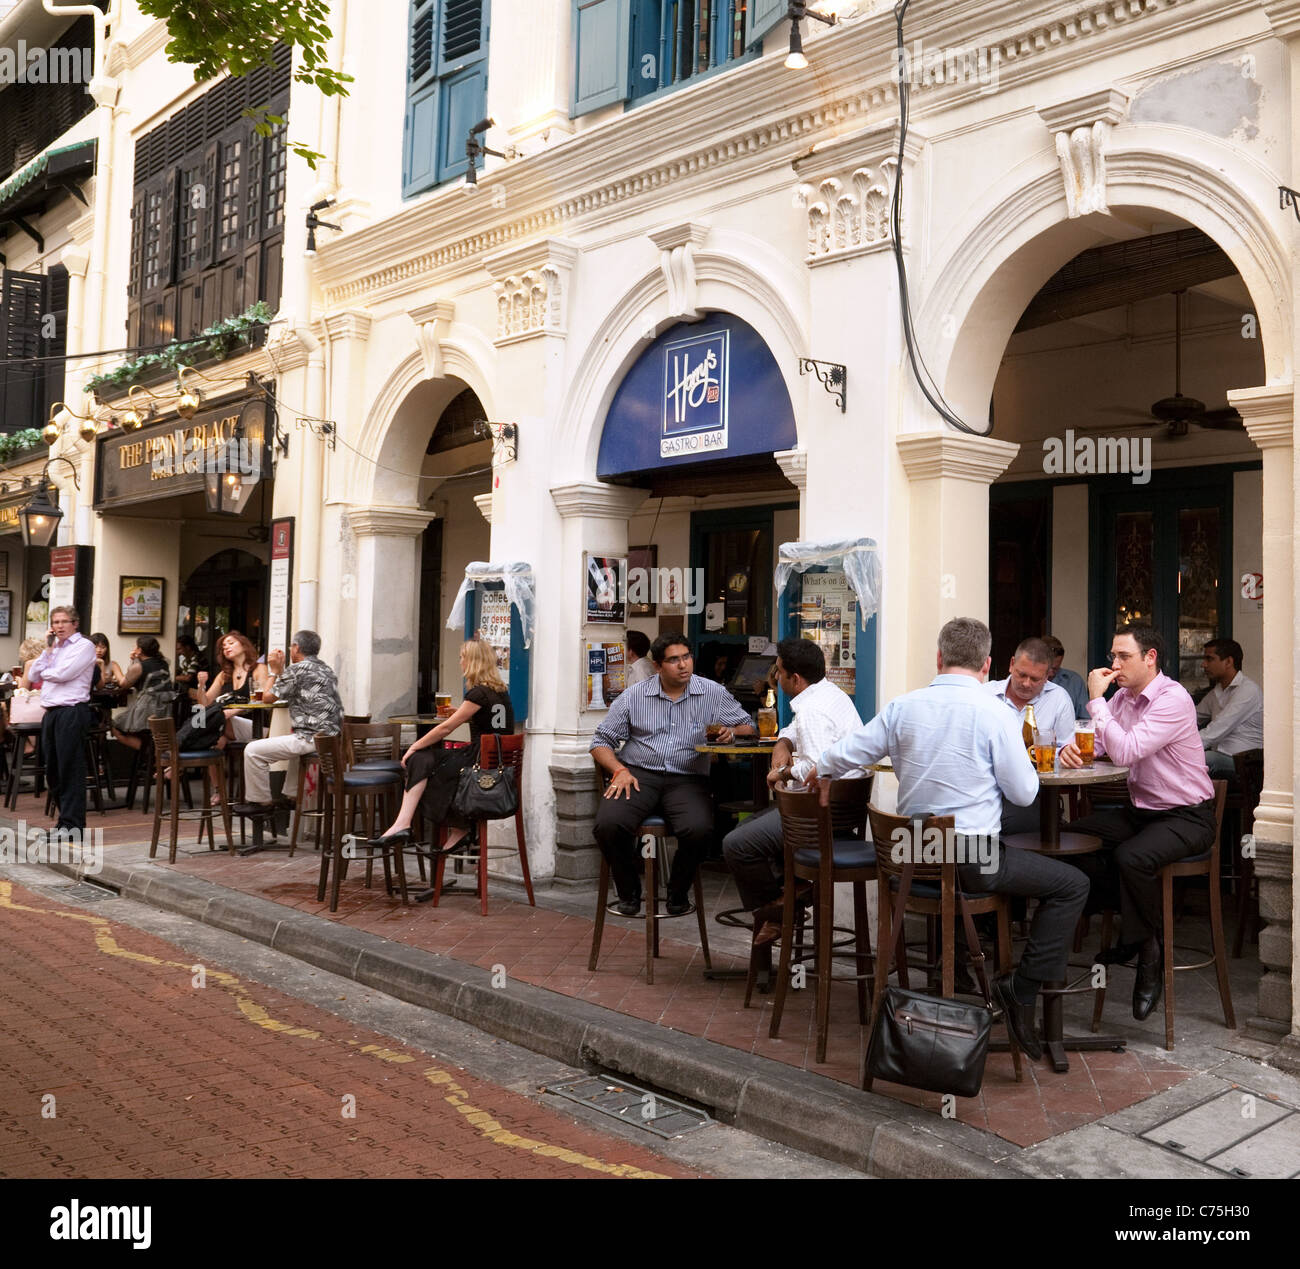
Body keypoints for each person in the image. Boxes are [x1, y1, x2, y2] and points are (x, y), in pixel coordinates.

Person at [805, 617, 1089, 1062]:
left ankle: (952, 977)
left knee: (998, 867)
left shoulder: (903, 706)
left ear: (939, 659)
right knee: (1073, 884)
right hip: (971, 861)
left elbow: (847, 752)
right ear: (989, 664)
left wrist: (817, 769)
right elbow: (1024, 793)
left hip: (910, 857)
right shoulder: (996, 713)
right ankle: (1020, 987)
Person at [1059, 624, 1216, 1021]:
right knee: (1071, 839)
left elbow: (1126, 751)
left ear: (1150, 658)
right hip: (1143, 813)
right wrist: (1068, 751)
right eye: (1112, 656)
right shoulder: (1126, 698)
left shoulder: (1172, 698)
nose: (1114, 665)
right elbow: (1097, 744)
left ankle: (1148, 951)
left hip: (1187, 816)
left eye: (1123, 657)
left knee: (1132, 857)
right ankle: (1134, 932)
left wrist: (1097, 701)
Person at [590, 632, 754, 917]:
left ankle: (677, 892)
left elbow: (748, 726)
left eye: (687, 657)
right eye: (674, 660)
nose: (683, 665)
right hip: (639, 775)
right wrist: (619, 770)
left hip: (688, 777)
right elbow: (600, 742)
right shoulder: (635, 696)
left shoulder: (711, 692)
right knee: (608, 824)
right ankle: (629, 892)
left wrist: (731, 732)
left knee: (699, 830)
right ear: (658, 666)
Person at [722, 635, 863, 944]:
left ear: (795, 679)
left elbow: (815, 767)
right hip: (842, 811)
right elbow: (797, 730)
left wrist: (783, 771)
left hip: (820, 815)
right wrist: (784, 742)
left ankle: (778, 910)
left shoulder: (813, 711)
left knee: (737, 844)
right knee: (752, 827)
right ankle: (791, 895)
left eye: (779, 671)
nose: (775, 676)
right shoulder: (830, 695)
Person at [368, 639, 514, 850]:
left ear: (473, 662)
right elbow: (489, 721)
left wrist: (414, 746)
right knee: (434, 766)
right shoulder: (500, 691)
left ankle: (405, 824)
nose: (460, 662)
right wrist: (460, 713)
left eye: (462, 657)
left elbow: (445, 729)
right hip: (494, 761)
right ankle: (456, 827)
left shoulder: (477, 693)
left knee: (421, 760)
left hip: (477, 761)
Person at [231, 630, 343, 817]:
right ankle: (291, 797)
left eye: (292, 646)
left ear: (297, 648)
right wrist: (281, 672)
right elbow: (292, 687)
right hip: (330, 737)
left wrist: (274, 671)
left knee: (252, 750)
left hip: (312, 737)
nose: (291, 649)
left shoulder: (297, 670)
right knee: (295, 746)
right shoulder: (326, 669)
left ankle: (261, 802)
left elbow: (266, 698)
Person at [983, 637, 1076, 834]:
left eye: (1035, 679)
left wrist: (1066, 754)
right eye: (1021, 675)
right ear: (1011, 665)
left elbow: (1065, 750)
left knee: (1020, 823)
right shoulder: (985, 695)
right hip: (987, 789)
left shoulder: (1059, 699)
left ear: (1048, 675)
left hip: (1035, 792)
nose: (1026, 684)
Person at [25, 605, 97, 838]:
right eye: (55, 623)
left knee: (69, 768)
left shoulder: (84, 646)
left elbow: (63, 674)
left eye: (63, 622)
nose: (58, 627)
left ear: (75, 623)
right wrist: (47, 653)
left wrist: (47, 669)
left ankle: (73, 825)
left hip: (72, 710)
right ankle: (64, 823)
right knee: (53, 769)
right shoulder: (54, 648)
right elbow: (33, 675)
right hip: (52, 712)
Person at [1196, 638, 1263, 779]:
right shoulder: (1217, 690)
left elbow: (1218, 728)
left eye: (1209, 659)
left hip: (1245, 763)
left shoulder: (1248, 690)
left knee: (1202, 759)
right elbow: (1192, 716)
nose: (1203, 665)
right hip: (1220, 757)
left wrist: (1184, 748)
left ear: (1228, 662)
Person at [190, 631, 270, 747]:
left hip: (256, 725)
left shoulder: (259, 668)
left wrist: (233, 711)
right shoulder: (224, 675)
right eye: (223, 647)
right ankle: (208, 761)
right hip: (227, 725)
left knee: (215, 720)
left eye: (231, 643)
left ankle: (186, 748)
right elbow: (205, 703)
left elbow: (262, 698)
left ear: (244, 645)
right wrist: (201, 685)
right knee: (217, 741)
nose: (226, 647)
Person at [110, 637, 172, 750]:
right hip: (165, 712)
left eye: (136, 647)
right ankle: (151, 754)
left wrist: (115, 667)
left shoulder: (139, 667)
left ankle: (147, 752)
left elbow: (124, 684)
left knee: (114, 726)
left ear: (139, 650)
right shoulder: (164, 663)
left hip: (147, 713)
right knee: (146, 734)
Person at [1043, 634, 1089, 719]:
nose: (1051, 673)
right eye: (1048, 668)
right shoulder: (1028, 682)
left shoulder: (1074, 681)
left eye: (1055, 669)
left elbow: (1085, 719)